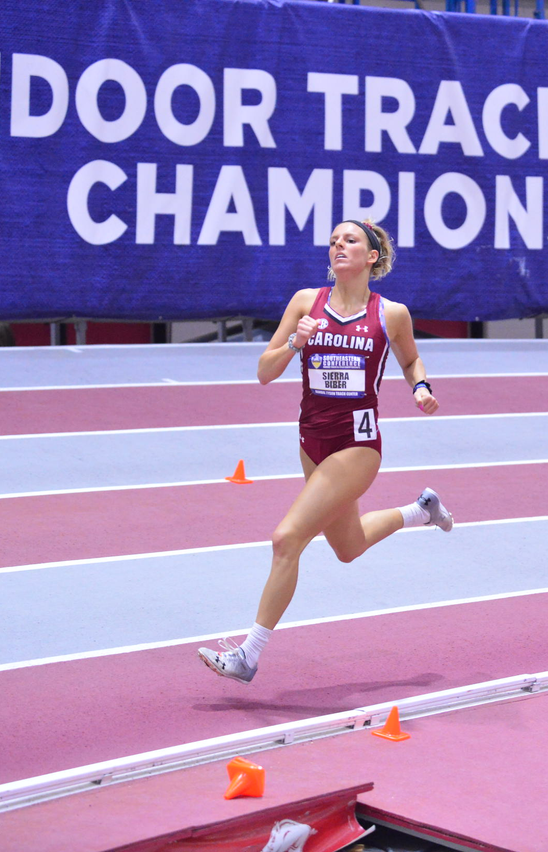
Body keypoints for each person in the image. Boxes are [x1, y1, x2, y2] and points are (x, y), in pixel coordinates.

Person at [198, 219, 453, 684]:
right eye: (333, 240)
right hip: (310, 439)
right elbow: (264, 371)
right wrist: (297, 342)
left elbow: (411, 357)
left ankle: (248, 655)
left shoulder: (390, 313)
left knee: (286, 538)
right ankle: (421, 511)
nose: (338, 245)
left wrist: (420, 387)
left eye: (349, 240)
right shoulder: (305, 303)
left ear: (371, 256)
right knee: (348, 546)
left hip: (357, 443)